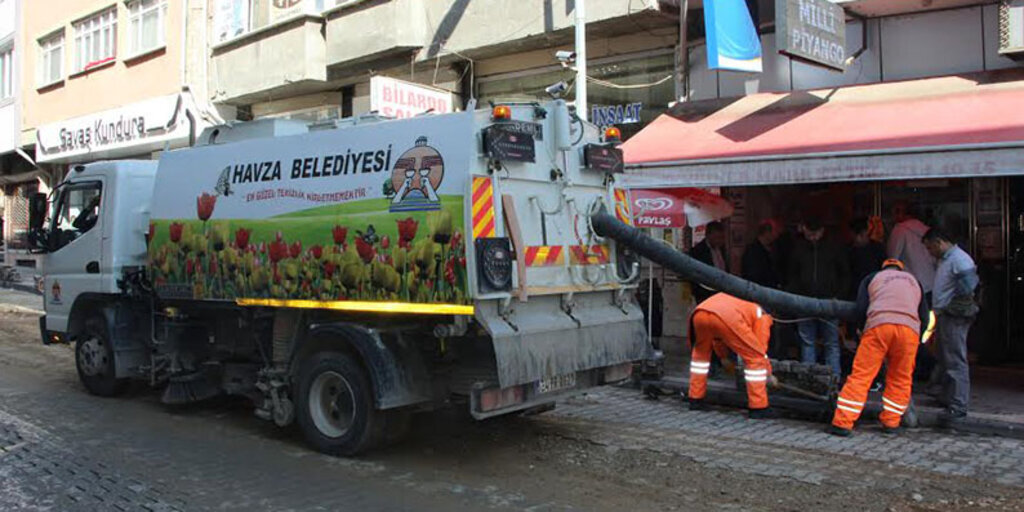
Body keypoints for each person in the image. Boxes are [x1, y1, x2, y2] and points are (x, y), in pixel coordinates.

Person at [828, 259, 929, 437]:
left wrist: (860, 329)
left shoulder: (872, 278)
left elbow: (861, 308)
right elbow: (924, 315)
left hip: (879, 326)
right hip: (908, 331)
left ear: (884, 268)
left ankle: (843, 423)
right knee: (900, 378)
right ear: (901, 270)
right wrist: (918, 339)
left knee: (862, 375)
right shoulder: (914, 281)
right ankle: (891, 423)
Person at [687, 292, 776, 419]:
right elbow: (759, 351)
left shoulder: (741, 300)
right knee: (755, 359)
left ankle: (695, 399)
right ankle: (758, 407)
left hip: (700, 313)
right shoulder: (762, 315)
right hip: (727, 317)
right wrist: (768, 373)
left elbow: (717, 338)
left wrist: (723, 357)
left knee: (700, 358)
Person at [922, 228, 979, 421]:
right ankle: (947, 396)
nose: (930, 252)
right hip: (947, 314)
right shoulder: (948, 259)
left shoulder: (959, 260)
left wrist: (950, 307)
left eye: (930, 248)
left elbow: (968, 287)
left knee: (954, 359)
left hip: (953, 315)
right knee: (946, 356)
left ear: (938, 242)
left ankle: (958, 404)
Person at [788, 218, 849, 376]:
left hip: (827, 301)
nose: (813, 237)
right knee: (815, 343)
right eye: (810, 234)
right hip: (807, 302)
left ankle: (831, 379)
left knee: (826, 343)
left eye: (815, 234)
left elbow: (845, 274)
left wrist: (839, 296)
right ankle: (813, 379)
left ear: (822, 231)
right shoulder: (799, 248)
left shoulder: (833, 247)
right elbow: (792, 275)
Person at [888, 202, 936, 299]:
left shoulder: (899, 230)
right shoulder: (928, 231)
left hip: (909, 283)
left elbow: (892, 258)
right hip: (930, 282)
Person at [689, 221, 728, 304]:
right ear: (708, 235)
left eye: (721, 237)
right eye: (717, 237)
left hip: (721, 291)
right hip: (705, 293)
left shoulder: (722, 249)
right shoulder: (698, 251)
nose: (719, 241)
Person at [848, 217, 886, 299]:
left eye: (862, 235)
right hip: (854, 293)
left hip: (874, 290)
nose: (859, 239)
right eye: (856, 236)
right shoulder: (848, 251)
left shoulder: (878, 249)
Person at [742, 219, 782, 289]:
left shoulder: (772, 249)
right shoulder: (753, 251)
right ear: (767, 232)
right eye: (775, 232)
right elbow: (753, 275)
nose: (776, 235)